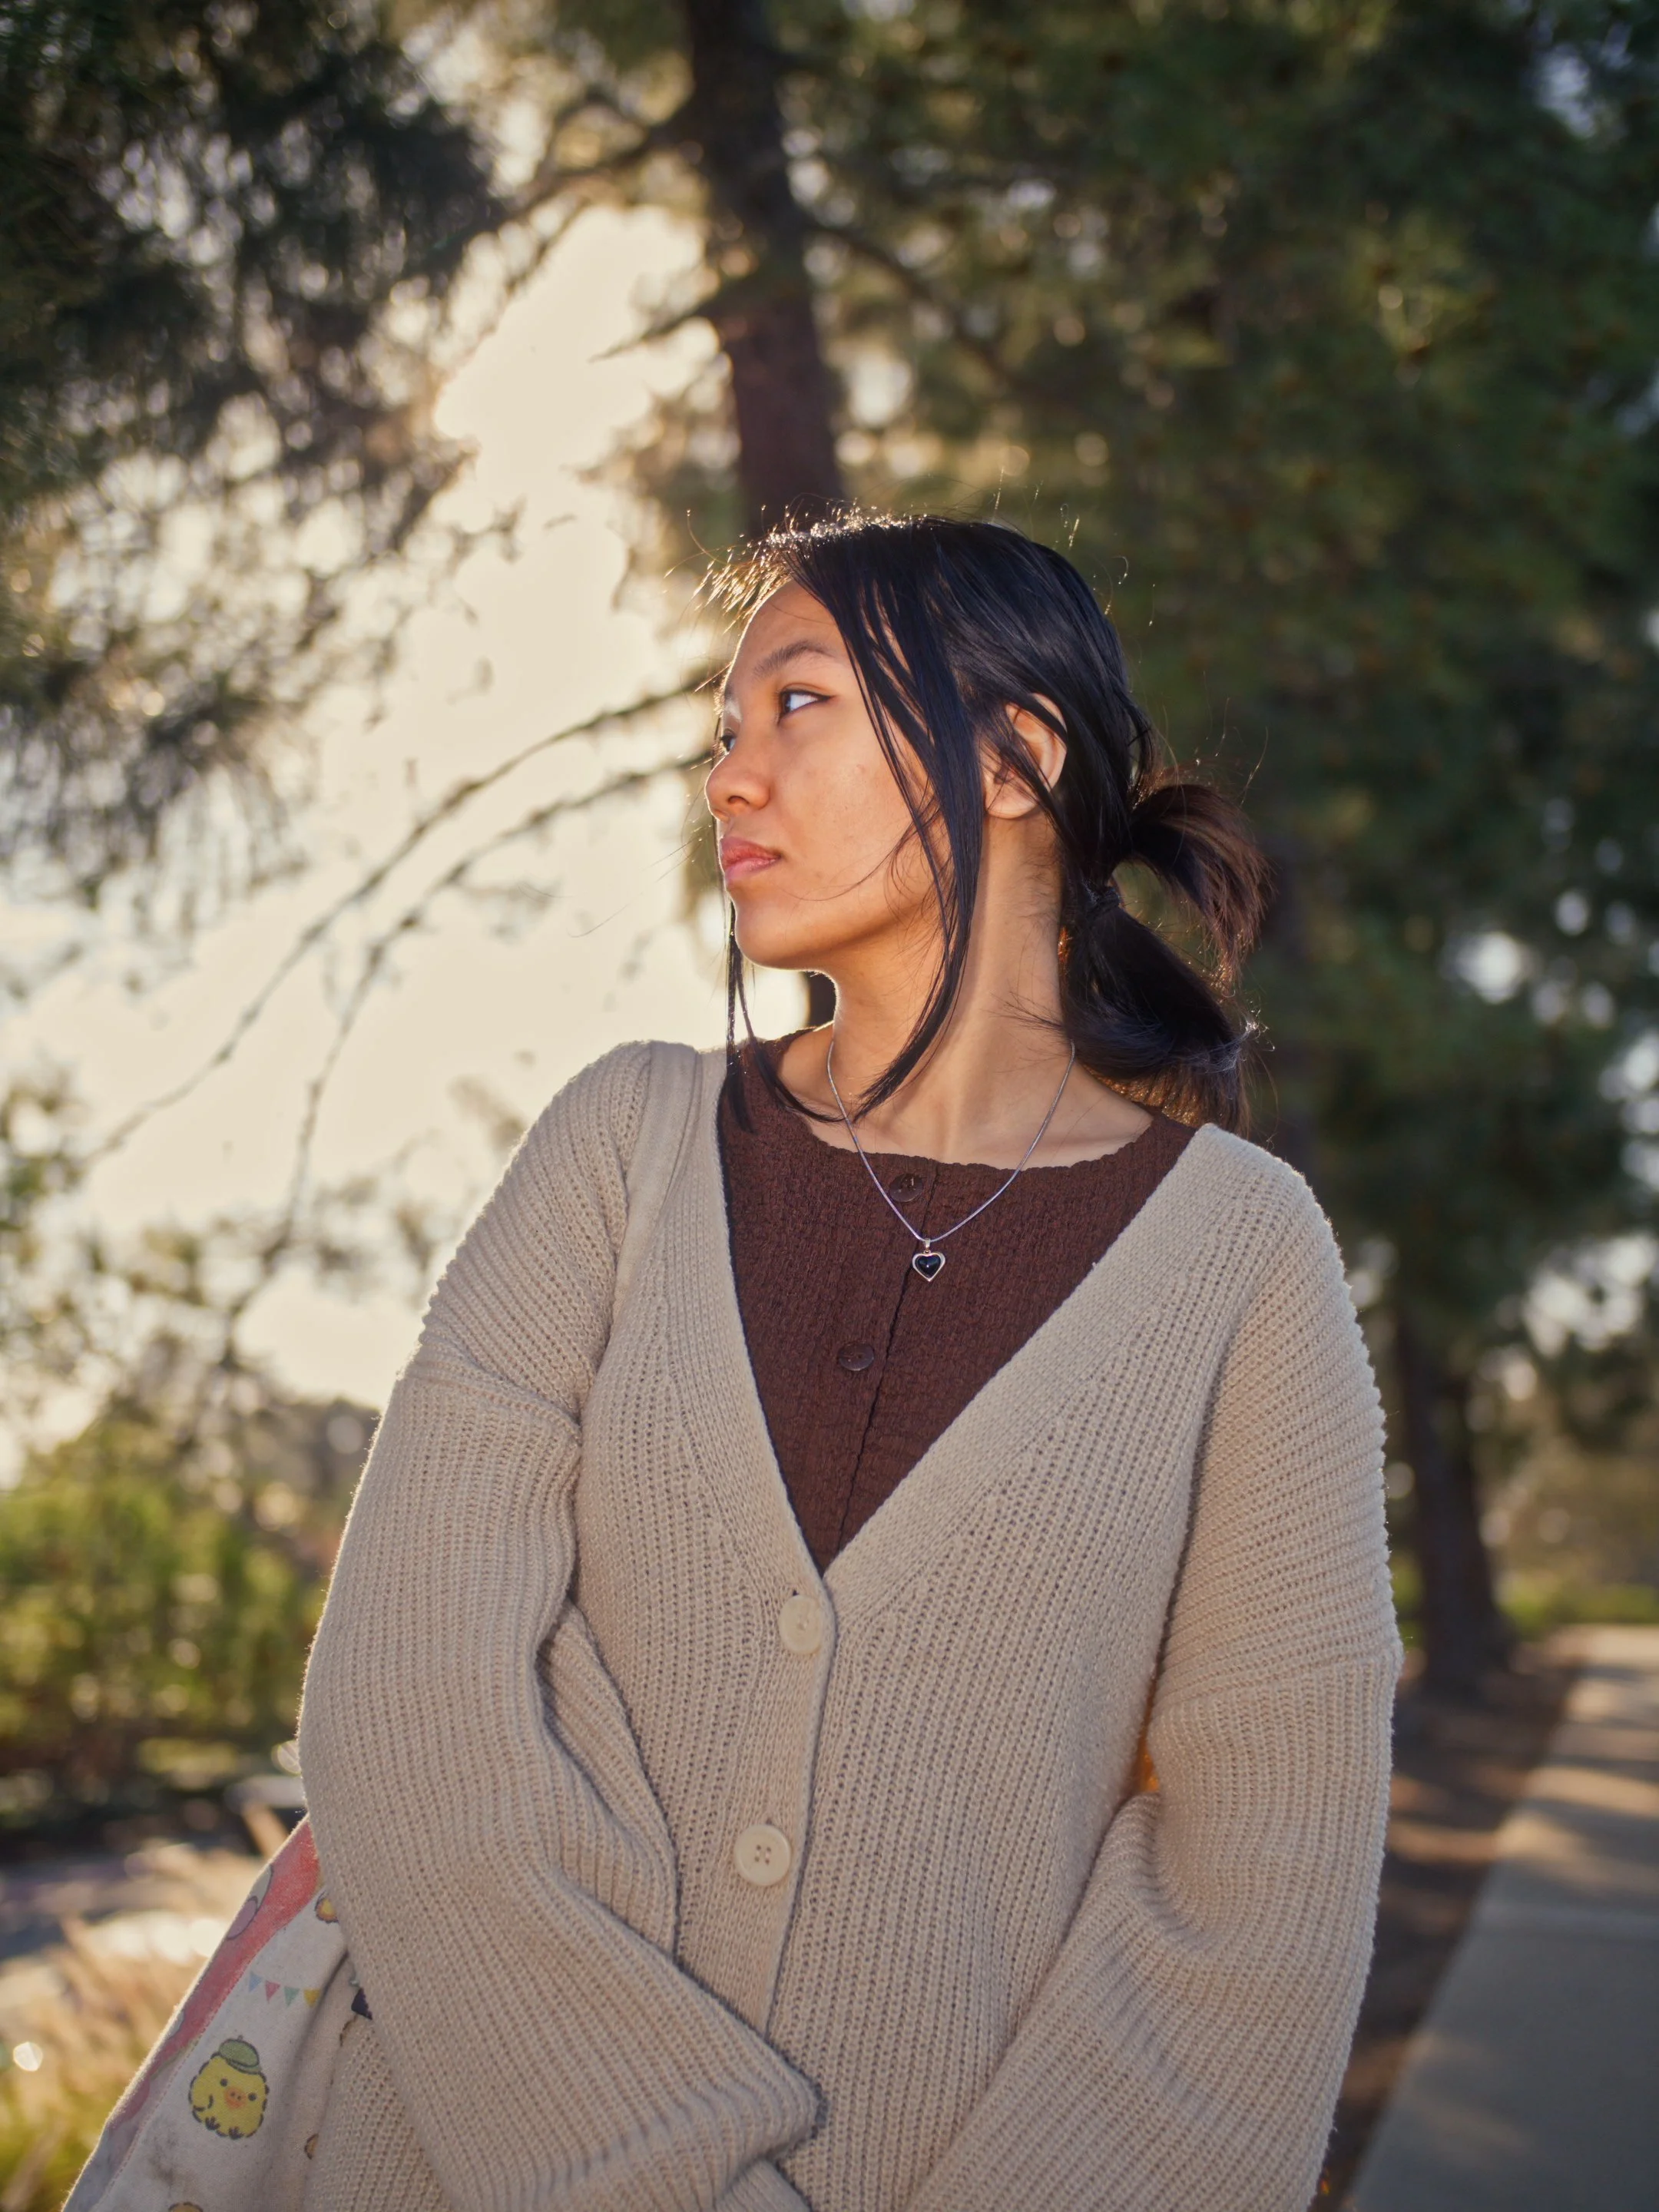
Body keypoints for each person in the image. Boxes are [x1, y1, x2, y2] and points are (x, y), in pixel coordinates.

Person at [296, 512, 1401, 2212]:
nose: (731, 780)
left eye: (794, 706)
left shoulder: (1244, 1265)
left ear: (1016, 759)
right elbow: (408, 1709)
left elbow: (1254, 1909)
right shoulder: (624, 1148)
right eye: (720, 735)